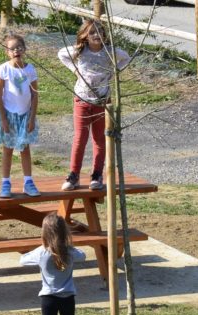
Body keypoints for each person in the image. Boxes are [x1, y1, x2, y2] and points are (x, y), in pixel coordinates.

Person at [57, 20, 130, 191]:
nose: (97, 35)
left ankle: (97, 175)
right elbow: (61, 55)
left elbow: (126, 57)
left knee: (99, 139)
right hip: (82, 101)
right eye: (92, 32)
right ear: (84, 36)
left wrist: (114, 71)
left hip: (102, 102)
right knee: (80, 138)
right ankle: (73, 175)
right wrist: (74, 70)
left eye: (100, 32)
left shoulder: (108, 52)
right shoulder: (80, 51)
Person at [20, 213, 86, 315]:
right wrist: (67, 245)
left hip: (48, 298)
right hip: (68, 296)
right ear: (65, 232)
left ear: (45, 233)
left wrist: (40, 247)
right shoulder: (70, 252)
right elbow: (83, 255)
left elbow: (23, 259)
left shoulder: (42, 253)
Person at [0, 33, 41, 199]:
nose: (16, 51)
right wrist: (4, 119)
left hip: (25, 116)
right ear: (7, 52)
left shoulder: (30, 70)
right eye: (12, 49)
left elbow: (34, 95)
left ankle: (28, 182)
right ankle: (5, 183)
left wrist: (32, 117)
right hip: (9, 115)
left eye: (19, 48)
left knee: (25, 149)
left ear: (24, 49)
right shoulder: (3, 69)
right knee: (7, 149)